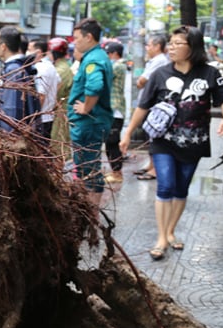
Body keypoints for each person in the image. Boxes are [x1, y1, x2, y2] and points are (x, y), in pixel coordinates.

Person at [119, 25, 223, 260]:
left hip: (194, 142)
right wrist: (128, 132)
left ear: (192, 47)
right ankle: (161, 237)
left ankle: (171, 231)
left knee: (181, 188)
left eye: (177, 43)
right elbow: (143, 106)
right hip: (163, 141)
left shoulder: (210, 73)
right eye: (170, 43)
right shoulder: (160, 74)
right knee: (165, 185)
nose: (171, 47)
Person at [68, 17, 114, 206]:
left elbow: (95, 86)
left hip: (88, 124)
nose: (75, 42)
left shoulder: (93, 60)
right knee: (89, 168)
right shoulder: (97, 56)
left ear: (89, 37)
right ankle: (91, 216)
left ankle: (90, 215)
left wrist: (86, 107)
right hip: (92, 123)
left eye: (77, 38)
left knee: (89, 171)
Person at [133, 35, 170, 180]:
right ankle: (151, 165)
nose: (147, 48)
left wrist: (141, 82)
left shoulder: (160, 61)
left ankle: (155, 169)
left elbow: (142, 81)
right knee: (149, 135)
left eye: (149, 45)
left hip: (153, 104)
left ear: (157, 46)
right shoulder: (155, 61)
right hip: (150, 102)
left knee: (153, 136)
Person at [0, 26, 38, 133]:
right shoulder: (20, 67)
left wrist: (7, 139)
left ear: (3, 46)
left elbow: (11, 110)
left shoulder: (13, 70)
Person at [104, 41, 128, 183]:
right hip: (113, 109)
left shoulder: (118, 66)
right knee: (110, 143)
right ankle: (115, 171)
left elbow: (105, 74)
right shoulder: (118, 65)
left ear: (114, 54)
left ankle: (117, 173)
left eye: (108, 54)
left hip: (115, 109)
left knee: (112, 143)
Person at [48, 37, 75, 163]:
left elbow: (54, 94)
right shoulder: (60, 68)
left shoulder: (61, 70)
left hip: (60, 112)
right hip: (59, 111)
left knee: (58, 148)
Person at [28, 39, 60, 141]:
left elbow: (41, 96)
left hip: (41, 118)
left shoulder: (40, 69)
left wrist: (34, 117)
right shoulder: (50, 66)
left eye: (29, 50)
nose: (27, 53)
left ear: (38, 52)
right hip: (48, 116)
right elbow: (59, 82)